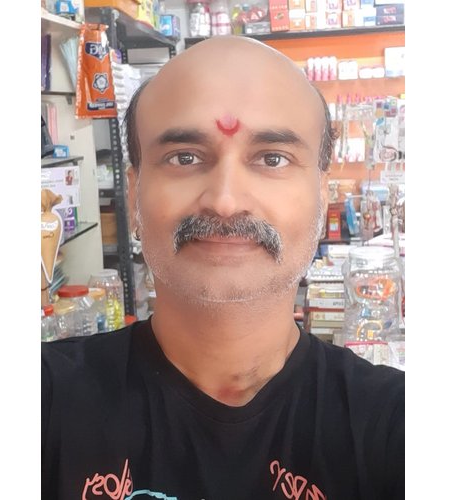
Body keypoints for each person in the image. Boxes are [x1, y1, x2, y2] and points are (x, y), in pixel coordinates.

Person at [42, 36, 404, 500]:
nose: (226, 201)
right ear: (134, 194)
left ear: (322, 194)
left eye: (272, 158)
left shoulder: (394, 424)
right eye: (184, 157)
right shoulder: (45, 402)